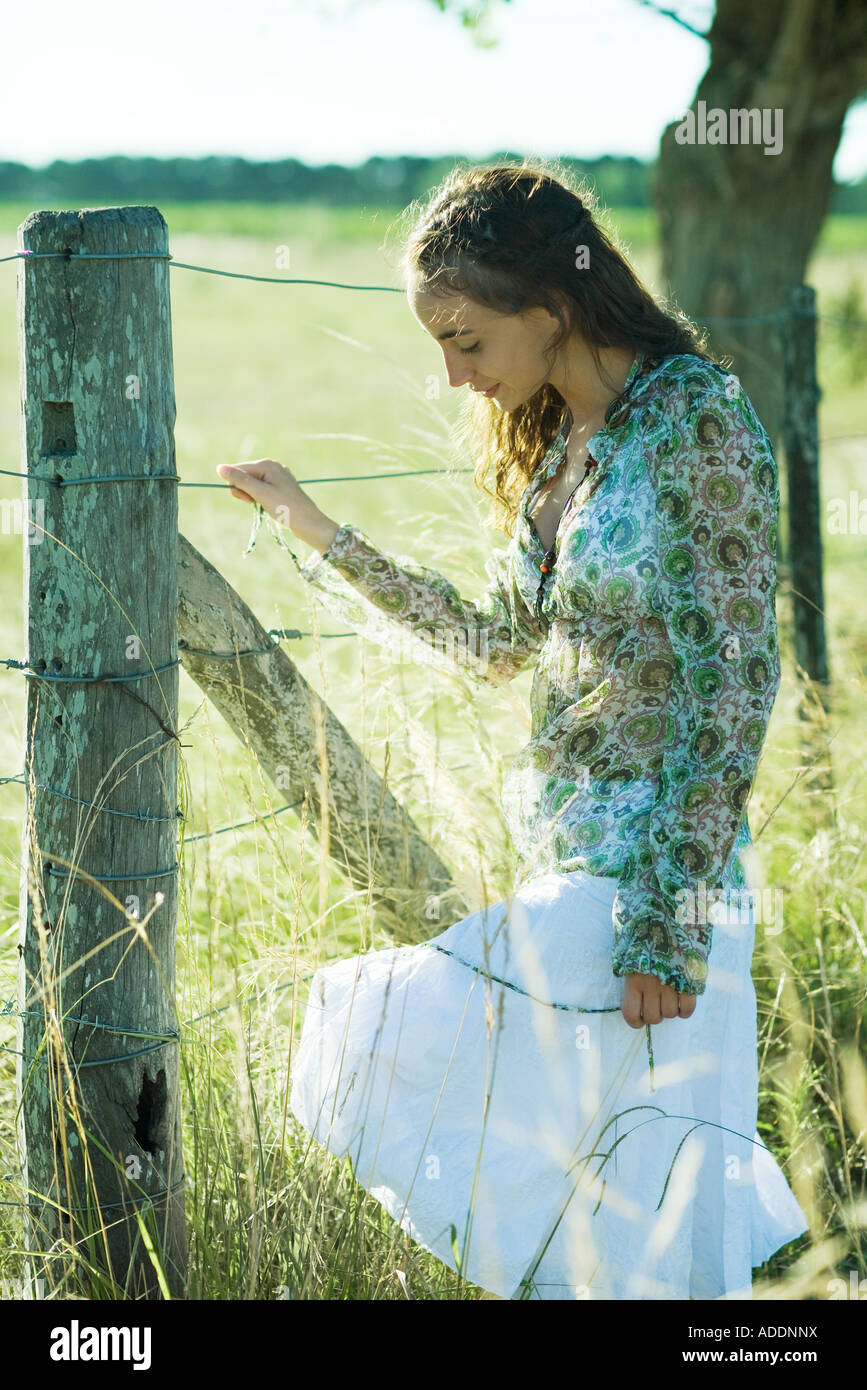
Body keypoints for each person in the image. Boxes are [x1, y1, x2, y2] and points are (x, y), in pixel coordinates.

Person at [215, 161, 808, 1299]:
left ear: (552, 307)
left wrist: (670, 919)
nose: (452, 375)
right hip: (569, 865)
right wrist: (315, 528)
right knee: (596, 1242)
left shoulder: (695, 420)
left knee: (389, 1039)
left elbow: (734, 680)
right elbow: (495, 642)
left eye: (466, 340)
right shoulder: (559, 457)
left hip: (649, 895)